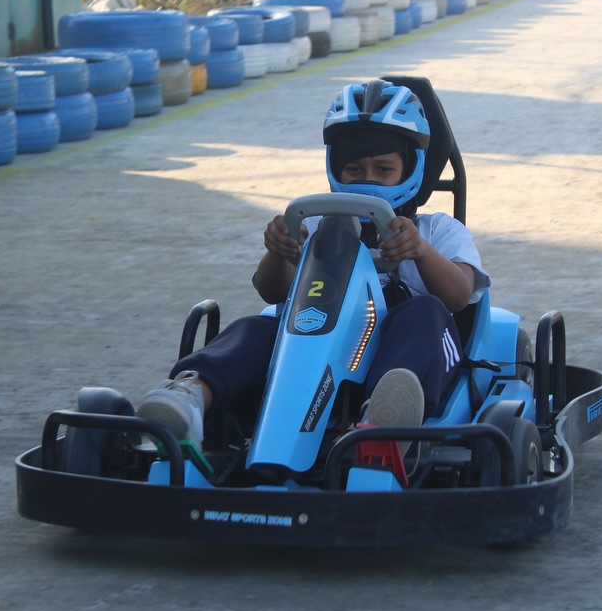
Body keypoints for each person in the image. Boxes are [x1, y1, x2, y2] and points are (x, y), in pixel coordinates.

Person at [136, 81, 490, 445]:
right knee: (259, 327)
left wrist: (421, 252)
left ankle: (383, 419)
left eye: (383, 169)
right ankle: (193, 394)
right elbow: (272, 291)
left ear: (412, 169)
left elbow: (459, 297)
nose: (367, 179)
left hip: (401, 352)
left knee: (426, 311)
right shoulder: (318, 225)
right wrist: (279, 251)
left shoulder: (438, 231)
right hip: (319, 349)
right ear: (336, 169)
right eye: (354, 168)